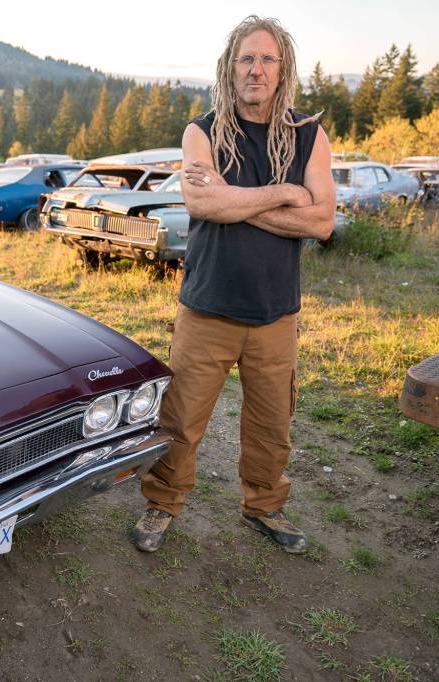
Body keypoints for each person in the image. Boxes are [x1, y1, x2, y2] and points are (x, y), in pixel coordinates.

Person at [134, 15, 335, 554]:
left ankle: (265, 507)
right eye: (247, 58)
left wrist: (236, 202)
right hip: (207, 310)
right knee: (181, 419)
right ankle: (163, 503)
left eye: (267, 59)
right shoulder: (202, 131)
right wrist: (286, 193)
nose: (257, 69)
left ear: (283, 68)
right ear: (230, 67)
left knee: (272, 425)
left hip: (275, 314)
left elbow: (322, 222)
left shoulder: (308, 136)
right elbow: (202, 203)